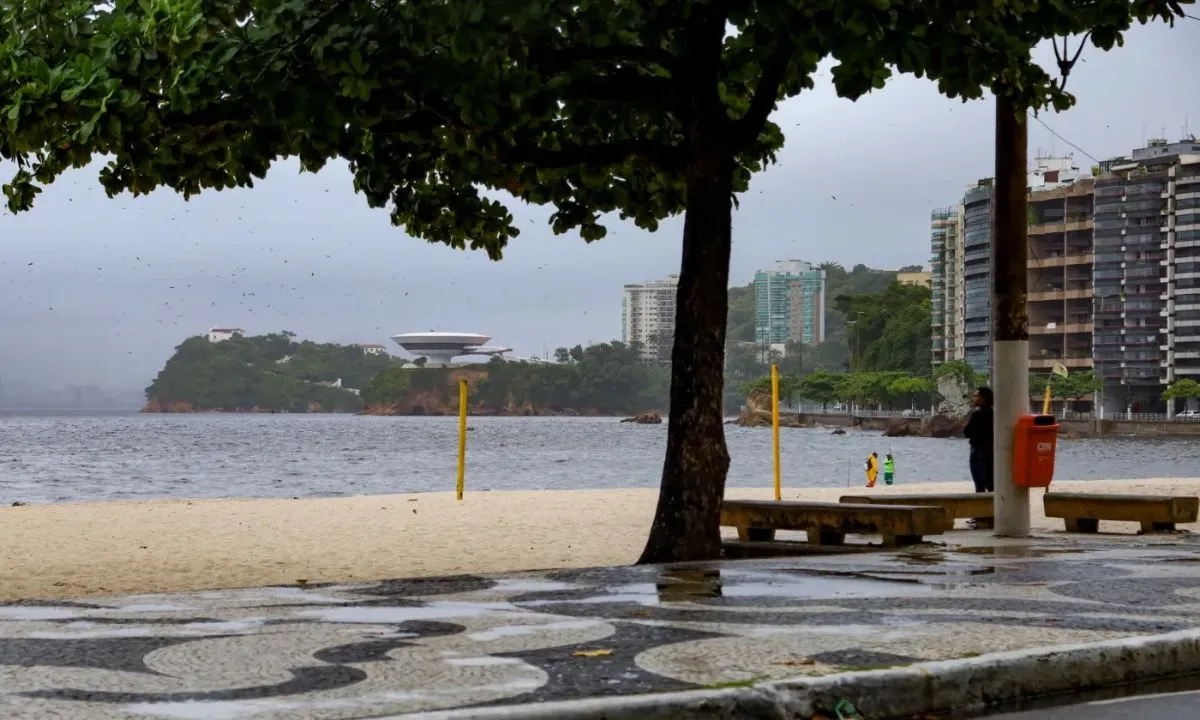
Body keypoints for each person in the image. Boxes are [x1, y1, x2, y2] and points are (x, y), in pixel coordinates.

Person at [962, 386, 994, 493]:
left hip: (978, 449)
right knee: (991, 483)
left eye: (976, 396)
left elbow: (967, 432)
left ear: (983, 398)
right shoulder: (994, 414)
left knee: (979, 485)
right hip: (992, 451)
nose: (974, 398)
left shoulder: (976, 414)